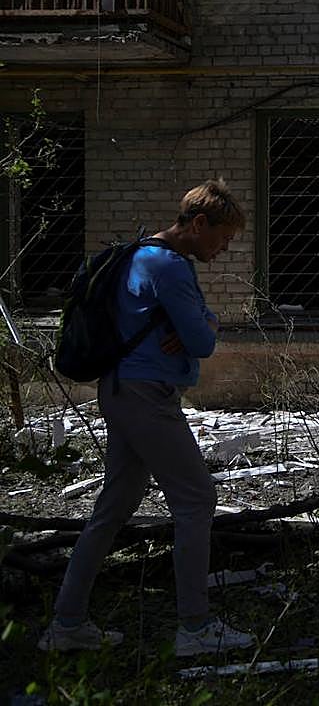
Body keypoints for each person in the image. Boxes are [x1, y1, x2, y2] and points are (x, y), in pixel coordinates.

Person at [38, 180, 256, 657]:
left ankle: (67, 623)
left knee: (113, 508)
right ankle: (195, 628)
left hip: (120, 391)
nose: (224, 248)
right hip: (147, 396)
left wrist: (196, 321)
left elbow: (191, 325)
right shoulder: (170, 266)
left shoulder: (139, 254)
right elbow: (202, 340)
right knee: (197, 498)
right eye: (223, 238)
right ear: (199, 224)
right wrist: (205, 322)